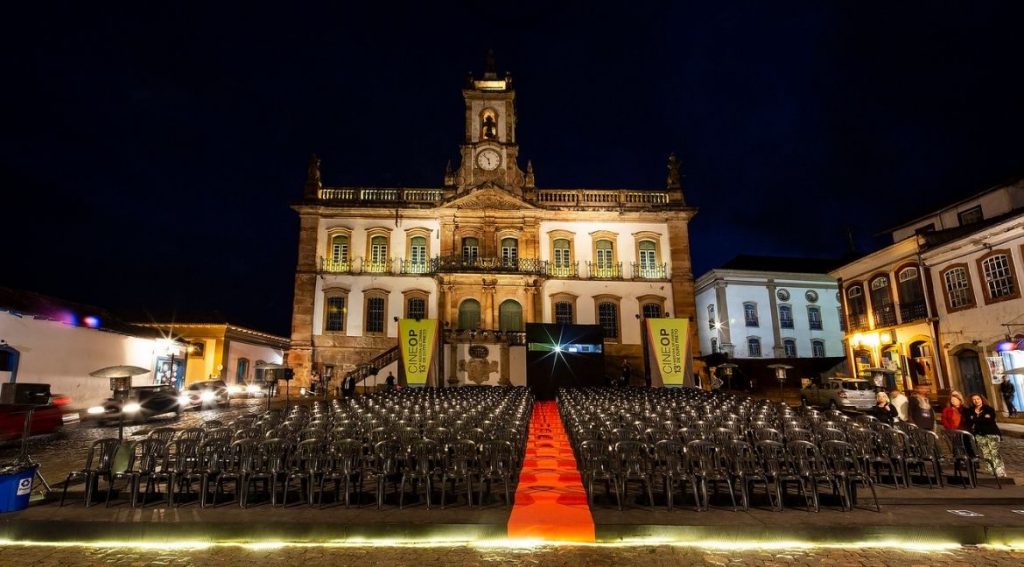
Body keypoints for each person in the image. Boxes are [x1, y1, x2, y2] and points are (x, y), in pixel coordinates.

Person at [965, 393, 1006, 477]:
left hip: (992, 433)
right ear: (972, 401)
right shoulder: (970, 411)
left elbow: (989, 419)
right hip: (979, 435)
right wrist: (980, 419)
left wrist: (976, 419)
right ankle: (991, 471)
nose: (976, 401)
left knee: (994, 452)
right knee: (986, 453)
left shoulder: (988, 409)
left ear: (982, 399)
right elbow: (969, 421)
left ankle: (1000, 472)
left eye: (978, 399)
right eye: (974, 399)